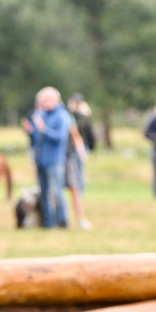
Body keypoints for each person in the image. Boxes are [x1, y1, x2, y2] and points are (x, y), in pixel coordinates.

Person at [22, 87, 70, 228]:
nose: (44, 103)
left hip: (55, 160)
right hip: (40, 159)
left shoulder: (62, 115)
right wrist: (30, 131)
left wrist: (44, 130)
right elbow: (36, 138)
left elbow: (60, 138)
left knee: (57, 191)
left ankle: (62, 221)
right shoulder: (40, 114)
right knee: (43, 192)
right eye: (43, 100)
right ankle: (48, 222)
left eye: (47, 100)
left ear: (56, 100)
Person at [65, 93, 95, 229]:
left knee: (79, 177)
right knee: (75, 180)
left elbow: (87, 131)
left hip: (81, 148)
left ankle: (80, 198)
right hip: (72, 150)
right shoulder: (71, 115)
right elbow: (73, 129)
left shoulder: (84, 117)